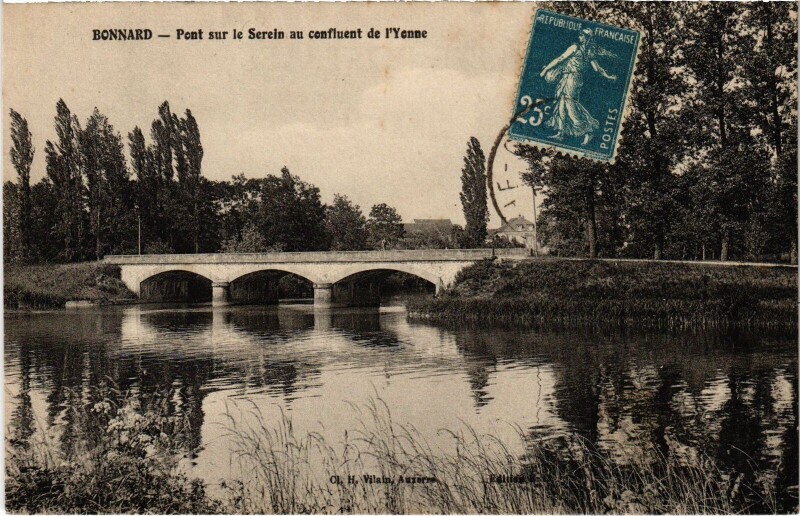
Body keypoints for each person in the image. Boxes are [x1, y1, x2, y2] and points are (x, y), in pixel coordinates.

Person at [539, 28, 617, 146]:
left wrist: (545, 69)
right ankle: (560, 132)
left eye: (581, 36)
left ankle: (588, 130)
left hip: (572, 78)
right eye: (580, 35)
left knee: (570, 104)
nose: (579, 37)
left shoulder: (575, 48)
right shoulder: (589, 51)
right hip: (569, 78)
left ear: (586, 37)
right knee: (562, 102)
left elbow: (560, 59)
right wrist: (608, 76)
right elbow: (597, 69)